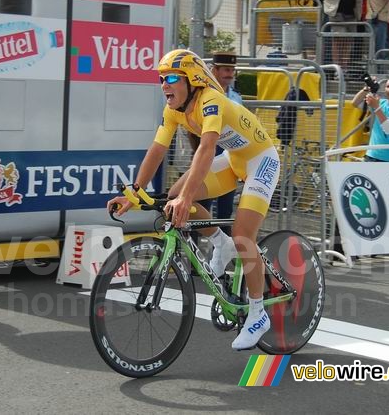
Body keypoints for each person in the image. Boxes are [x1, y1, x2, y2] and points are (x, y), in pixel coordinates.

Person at [107, 49, 280, 350]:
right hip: (235, 159)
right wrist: (133, 193)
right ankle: (219, 241)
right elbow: (157, 150)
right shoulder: (173, 110)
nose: (164, 84)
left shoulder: (211, 101)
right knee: (173, 196)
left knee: (243, 236)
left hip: (261, 161)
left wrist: (188, 198)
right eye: (161, 78)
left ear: (192, 79)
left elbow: (206, 149)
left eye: (172, 77)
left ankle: (257, 312)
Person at [197, 52, 242, 227]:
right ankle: (195, 248)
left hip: (229, 154)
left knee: (226, 206)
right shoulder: (204, 96)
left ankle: (224, 250)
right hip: (209, 150)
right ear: (214, 70)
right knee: (202, 204)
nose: (230, 74)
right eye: (225, 69)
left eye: (232, 69)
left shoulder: (237, 98)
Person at [351, 75, 389, 162]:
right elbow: (355, 103)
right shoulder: (380, 102)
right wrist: (366, 89)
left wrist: (376, 107)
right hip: (371, 155)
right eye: (387, 86)